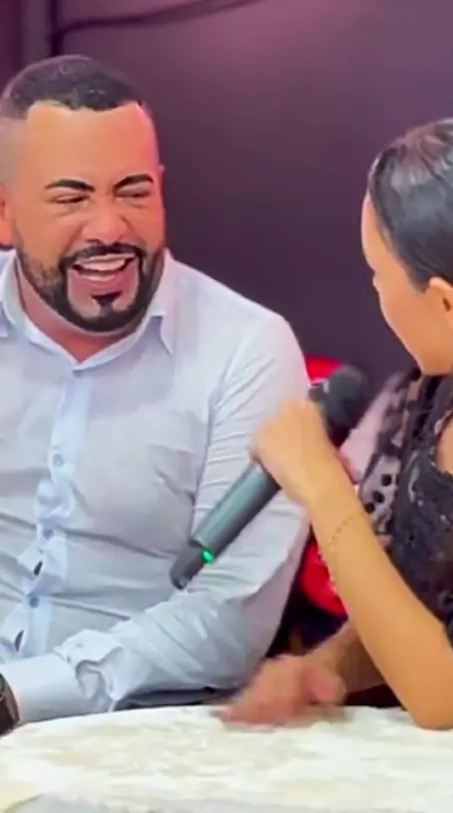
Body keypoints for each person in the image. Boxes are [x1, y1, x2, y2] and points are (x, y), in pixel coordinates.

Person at [0, 54, 309, 732]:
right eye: (72, 197)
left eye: (133, 192)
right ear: (5, 211)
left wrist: (17, 696)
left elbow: (228, 617)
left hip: (134, 735)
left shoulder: (246, 348)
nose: (109, 227)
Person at [223, 117, 453, 731]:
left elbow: (446, 693)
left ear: (445, 303)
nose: (376, 294)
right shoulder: (437, 397)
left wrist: (322, 486)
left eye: (377, 275)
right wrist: (328, 666)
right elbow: (414, 614)